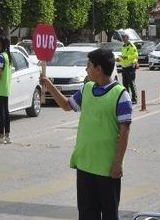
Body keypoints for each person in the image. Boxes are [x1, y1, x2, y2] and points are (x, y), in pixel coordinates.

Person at [40, 48, 132, 220]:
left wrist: (118, 163)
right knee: (87, 214)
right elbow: (68, 106)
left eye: (88, 65)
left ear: (98, 69)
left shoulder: (121, 94)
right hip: (84, 165)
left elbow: (125, 130)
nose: (86, 69)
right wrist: (49, 85)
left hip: (107, 169)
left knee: (109, 214)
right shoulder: (87, 88)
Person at [119, 38, 139, 105]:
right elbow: (123, 56)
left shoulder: (131, 46)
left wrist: (127, 57)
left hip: (131, 67)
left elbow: (135, 55)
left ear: (127, 39)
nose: (124, 41)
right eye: (123, 39)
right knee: (125, 84)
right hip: (124, 67)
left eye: (125, 39)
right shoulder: (123, 46)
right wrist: (119, 59)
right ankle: (127, 99)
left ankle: (134, 99)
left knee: (131, 83)